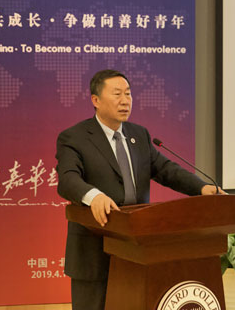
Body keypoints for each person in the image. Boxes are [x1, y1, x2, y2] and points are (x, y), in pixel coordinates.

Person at [55, 69, 222, 310]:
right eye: (117, 94)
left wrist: (202, 188)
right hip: (94, 248)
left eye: (128, 93)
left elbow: (166, 169)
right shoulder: (74, 137)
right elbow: (68, 178)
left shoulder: (139, 135)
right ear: (96, 100)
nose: (125, 100)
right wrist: (94, 196)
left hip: (137, 247)